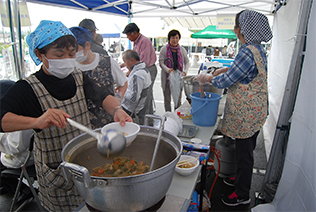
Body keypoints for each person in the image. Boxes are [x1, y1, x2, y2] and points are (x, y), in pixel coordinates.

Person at [0, 20, 132, 211]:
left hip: (87, 162)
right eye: (59, 55)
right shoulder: (28, 88)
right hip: (56, 172)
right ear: (40, 54)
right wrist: (37, 121)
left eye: (71, 54)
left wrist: (117, 110)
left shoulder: (77, 75)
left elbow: (102, 95)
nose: (67, 60)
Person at [196, 10, 272, 206]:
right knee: (243, 151)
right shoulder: (257, 49)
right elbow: (243, 71)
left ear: (243, 28)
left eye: (236, 26)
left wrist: (210, 77)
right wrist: (224, 68)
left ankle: (242, 194)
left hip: (247, 114)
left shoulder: (247, 51)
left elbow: (228, 80)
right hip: (254, 112)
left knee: (245, 154)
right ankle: (239, 179)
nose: (234, 29)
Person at [70, 27, 128, 129]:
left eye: (75, 49)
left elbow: (123, 84)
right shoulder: (71, 68)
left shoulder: (107, 62)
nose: (73, 54)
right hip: (83, 125)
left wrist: (118, 99)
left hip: (111, 119)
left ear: (87, 45)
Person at [0, 80, 34, 204]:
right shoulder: (27, 104)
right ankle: (11, 186)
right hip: (31, 153)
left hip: (25, 159)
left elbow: (15, 147)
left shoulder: (18, 117)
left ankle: (20, 189)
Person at [122, 23, 157, 121]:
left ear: (134, 33)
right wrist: (123, 65)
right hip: (140, 68)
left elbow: (143, 60)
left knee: (146, 96)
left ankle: (148, 120)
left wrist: (131, 71)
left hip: (147, 68)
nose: (128, 37)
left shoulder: (144, 41)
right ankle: (143, 117)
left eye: (128, 35)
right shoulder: (136, 42)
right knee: (141, 95)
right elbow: (133, 59)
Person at [159, 29, 190, 111]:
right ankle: (168, 116)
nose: (175, 40)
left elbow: (187, 62)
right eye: (173, 38)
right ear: (169, 39)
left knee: (178, 100)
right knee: (167, 99)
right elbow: (161, 63)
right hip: (167, 77)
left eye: (176, 38)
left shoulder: (182, 50)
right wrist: (168, 70)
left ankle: (177, 116)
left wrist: (185, 71)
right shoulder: (164, 49)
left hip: (179, 78)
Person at [121, 50, 151, 125]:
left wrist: (121, 92)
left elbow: (133, 98)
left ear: (131, 60)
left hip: (130, 109)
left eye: (125, 61)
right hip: (140, 107)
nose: (125, 64)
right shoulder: (144, 70)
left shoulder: (137, 75)